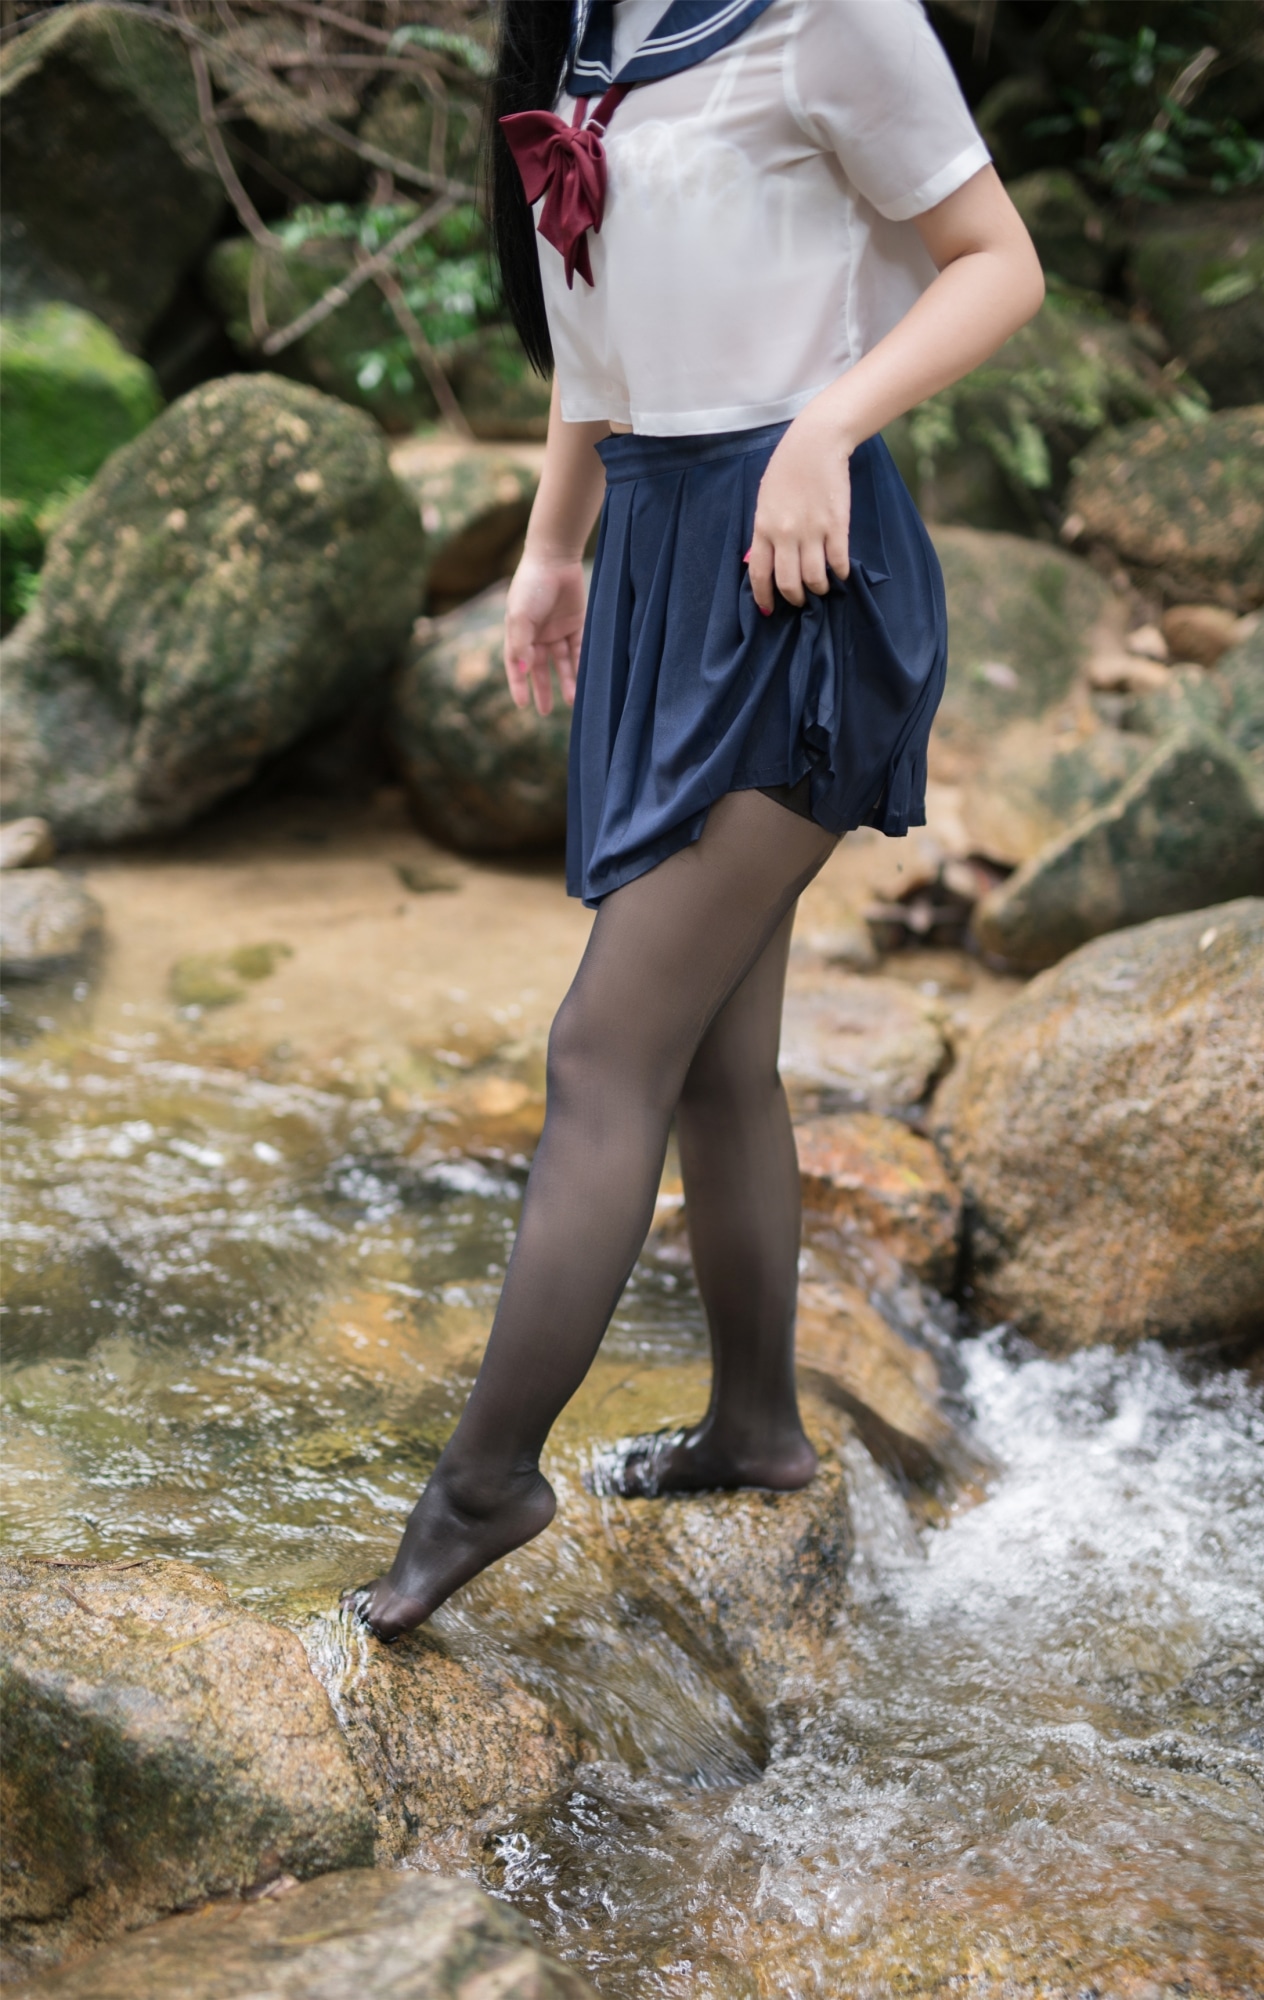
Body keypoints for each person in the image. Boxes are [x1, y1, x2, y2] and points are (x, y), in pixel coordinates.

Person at [349, 0, 1043, 1642]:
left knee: (605, 1048)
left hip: (802, 576)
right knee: (720, 1054)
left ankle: (482, 1484)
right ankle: (757, 1428)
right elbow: (606, 348)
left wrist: (828, 426)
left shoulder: (824, 12)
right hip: (665, 568)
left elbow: (996, 262)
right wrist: (553, 546)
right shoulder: (594, 27)